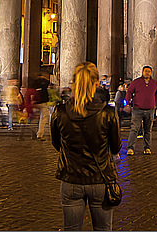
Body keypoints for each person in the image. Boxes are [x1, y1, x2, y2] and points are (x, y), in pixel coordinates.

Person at [51, 62, 120, 231]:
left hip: (71, 179)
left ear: (73, 82)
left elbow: (56, 143)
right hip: (100, 180)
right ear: (97, 83)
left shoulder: (60, 111)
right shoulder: (108, 113)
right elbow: (116, 147)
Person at [125, 65, 157, 155]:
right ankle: (131, 148)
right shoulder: (136, 82)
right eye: (145, 71)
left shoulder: (154, 83)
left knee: (148, 130)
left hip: (150, 109)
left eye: (149, 71)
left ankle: (147, 148)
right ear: (142, 72)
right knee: (134, 129)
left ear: (151, 73)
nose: (147, 73)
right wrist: (127, 104)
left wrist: (155, 103)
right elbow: (129, 92)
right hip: (137, 109)